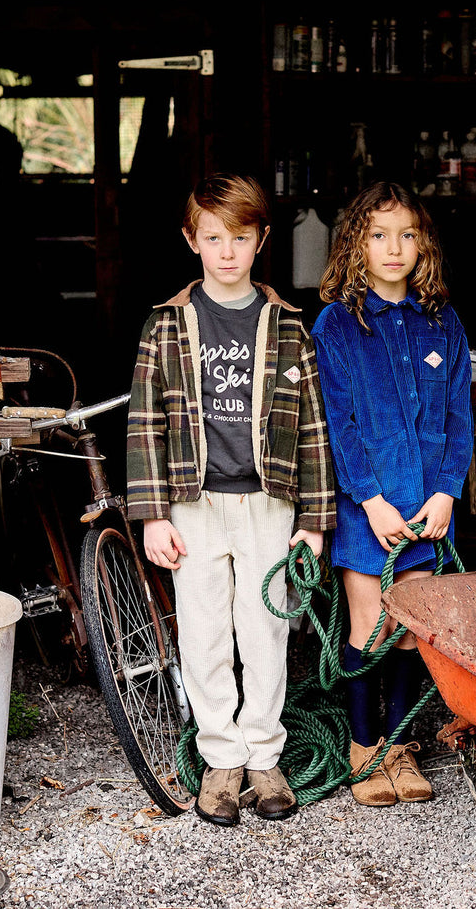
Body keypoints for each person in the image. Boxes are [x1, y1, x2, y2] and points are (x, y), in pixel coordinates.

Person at [126, 173, 335, 827]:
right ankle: (220, 757)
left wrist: (315, 521)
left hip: (268, 503)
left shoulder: (288, 326)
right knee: (206, 632)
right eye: (213, 238)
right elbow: (143, 422)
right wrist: (153, 512)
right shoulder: (166, 324)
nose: (226, 252)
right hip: (193, 502)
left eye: (239, 238)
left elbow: (312, 426)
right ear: (191, 240)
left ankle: (264, 754)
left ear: (260, 240)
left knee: (265, 630)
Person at [311, 181, 473, 807]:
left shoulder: (443, 321)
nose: (393, 247)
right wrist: (370, 499)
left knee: (412, 632)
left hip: (429, 509)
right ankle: (363, 748)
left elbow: (459, 416)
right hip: (369, 507)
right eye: (379, 235)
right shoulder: (338, 326)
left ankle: (400, 746)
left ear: (423, 245)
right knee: (371, 624)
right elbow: (338, 423)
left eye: (407, 235)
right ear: (357, 243)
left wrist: (446, 492)